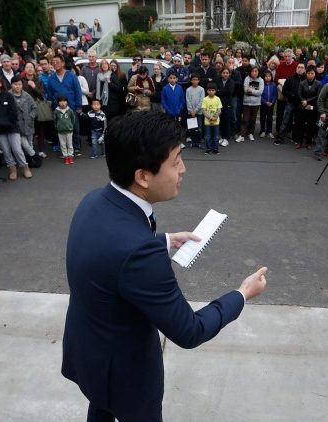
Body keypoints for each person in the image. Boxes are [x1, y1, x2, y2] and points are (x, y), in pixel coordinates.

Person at [61, 111, 267, 421]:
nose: (183, 170)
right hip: (127, 373)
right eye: (176, 161)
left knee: (101, 406)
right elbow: (189, 330)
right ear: (143, 176)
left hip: (88, 349)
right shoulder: (139, 253)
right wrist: (241, 294)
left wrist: (165, 240)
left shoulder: (94, 200)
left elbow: (111, 252)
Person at [0, 74, 32, 180]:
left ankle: (25, 167)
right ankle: (12, 169)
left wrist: (7, 122)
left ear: (1, 84)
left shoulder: (8, 96)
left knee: (17, 149)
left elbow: (13, 112)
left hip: (12, 127)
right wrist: (0, 123)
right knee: (6, 151)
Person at [47, 55, 83, 155]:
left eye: (57, 62)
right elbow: (49, 94)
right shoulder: (51, 78)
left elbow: (78, 91)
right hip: (58, 108)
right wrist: (52, 106)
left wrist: (79, 105)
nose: (55, 64)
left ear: (63, 63)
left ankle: (76, 147)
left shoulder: (71, 75)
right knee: (61, 128)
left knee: (74, 128)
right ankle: (64, 148)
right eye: (53, 62)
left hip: (72, 106)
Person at [9, 75, 41, 168]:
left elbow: (34, 108)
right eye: (15, 84)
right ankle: (36, 156)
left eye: (19, 84)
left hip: (28, 123)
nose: (17, 86)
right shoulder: (8, 95)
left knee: (30, 143)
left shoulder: (27, 95)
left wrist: (31, 117)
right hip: (17, 125)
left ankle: (29, 160)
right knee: (25, 144)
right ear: (11, 85)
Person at [275, 62, 306, 145]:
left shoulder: (306, 79)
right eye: (299, 67)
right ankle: (280, 138)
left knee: (298, 122)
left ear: (304, 69)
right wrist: (291, 95)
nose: (300, 69)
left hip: (301, 104)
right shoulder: (290, 78)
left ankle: (296, 139)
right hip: (291, 103)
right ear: (296, 68)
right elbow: (284, 90)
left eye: (302, 67)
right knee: (285, 121)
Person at [293, 65, 321, 150]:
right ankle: (299, 142)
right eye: (308, 73)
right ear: (306, 74)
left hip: (312, 107)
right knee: (300, 125)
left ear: (315, 74)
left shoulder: (318, 83)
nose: (310, 75)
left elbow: (317, 96)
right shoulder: (302, 83)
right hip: (302, 106)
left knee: (311, 125)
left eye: (312, 73)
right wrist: (304, 102)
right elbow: (299, 94)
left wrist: (308, 102)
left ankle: (308, 142)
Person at [236, 66, 264, 142]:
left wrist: (251, 91)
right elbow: (245, 90)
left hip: (256, 103)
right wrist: (254, 91)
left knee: (253, 119)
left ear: (258, 72)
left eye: (256, 71)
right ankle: (242, 135)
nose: (254, 73)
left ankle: (250, 133)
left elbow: (260, 92)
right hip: (247, 103)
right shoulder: (247, 78)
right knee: (245, 119)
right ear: (250, 72)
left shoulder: (261, 80)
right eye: (252, 71)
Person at [216, 67, 235, 147]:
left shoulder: (231, 82)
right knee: (220, 122)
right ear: (221, 73)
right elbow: (215, 91)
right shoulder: (218, 81)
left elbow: (229, 92)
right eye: (224, 73)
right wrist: (220, 91)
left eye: (227, 73)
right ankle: (221, 137)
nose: (225, 74)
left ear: (229, 74)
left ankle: (226, 138)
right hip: (219, 105)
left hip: (228, 105)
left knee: (227, 122)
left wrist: (220, 91)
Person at [54, 94, 75, 164]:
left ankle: (70, 156)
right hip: (60, 131)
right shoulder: (56, 111)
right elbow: (55, 120)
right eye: (61, 101)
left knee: (70, 144)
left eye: (64, 101)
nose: (63, 103)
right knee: (63, 145)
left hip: (69, 130)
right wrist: (57, 126)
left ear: (67, 102)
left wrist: (71, 126)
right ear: (58, 102)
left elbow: (73, 119)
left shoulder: (70, 110)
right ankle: (65, 157)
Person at [201, 82, 222, 155]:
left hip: (216, 122)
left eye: (213, 90)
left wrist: (215, 117)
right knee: (207, 136)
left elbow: (219, 110)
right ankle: (208, 148)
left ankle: (215, 148)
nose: (211, 91)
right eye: (209, 90)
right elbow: (204, 110)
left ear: (215, 91)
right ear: (207, 91)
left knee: (216, 136)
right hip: (207, 122)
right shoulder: (205, 99)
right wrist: (210, 118)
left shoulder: (218, 99)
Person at [259, 70, 277, 139]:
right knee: (262, 117)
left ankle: (269, 131)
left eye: (269, 76)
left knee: (270, 118)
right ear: (264, 77)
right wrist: (265, 102)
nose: (268, 77)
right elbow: (260, 95)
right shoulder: (262, 84)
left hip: (271, 104)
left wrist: (272, 102)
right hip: (263, 104)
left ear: (271, 77)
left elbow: (275, 95)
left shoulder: (273, 84)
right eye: (266, 76)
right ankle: (262, 130)